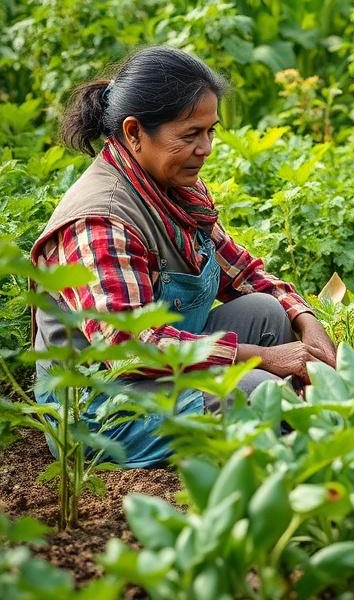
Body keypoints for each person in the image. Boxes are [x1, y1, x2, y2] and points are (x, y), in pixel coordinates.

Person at [32, 46, 337, 468]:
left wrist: (307, 321)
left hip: (161, 371)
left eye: (211, 131)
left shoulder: (174, 188)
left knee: (268, 312)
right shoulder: (102, 219)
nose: (206, 147)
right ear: (135, 132)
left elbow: (242, 272)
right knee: (252, 391)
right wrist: (265, 358)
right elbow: (127, 348)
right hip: (102, 405)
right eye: (190, 135)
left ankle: (289, 427)